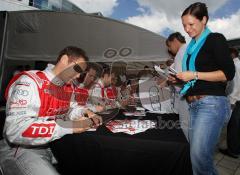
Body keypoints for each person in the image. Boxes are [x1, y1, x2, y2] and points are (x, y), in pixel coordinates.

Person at [0, 46, 102, 175]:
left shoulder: (67, 87)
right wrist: (69, 126)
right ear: (64, 59)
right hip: (20, 150)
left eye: (80, 74)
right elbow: (14, 130)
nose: (77, 76)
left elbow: (72, 109)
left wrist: (85, 112)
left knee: (88, 159)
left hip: (54, 146)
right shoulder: (29, 82)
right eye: (77, 70)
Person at [169, 2, 235, 175]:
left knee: (199, 157)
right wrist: (177, 79)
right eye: (184, 25)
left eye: (191, 24)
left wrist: (195, 75)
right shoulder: (190, 48)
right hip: (194, 105)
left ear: (204, 19)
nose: (187, 29)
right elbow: (192, 81)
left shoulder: (215, 39)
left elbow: (228, 73)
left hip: (211, 103)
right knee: (197, 158)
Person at [166, 32, 189, 140]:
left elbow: (180, 77)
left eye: (169, 46)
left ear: (174, 41)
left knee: (186, 130)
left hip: (185, 96)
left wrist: (173, 80)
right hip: (188, 95)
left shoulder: (181, 52)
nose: (170, 50)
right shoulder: (189, 49)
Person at [219, 47, 240, 158]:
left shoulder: (234, 66)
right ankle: (236, 148)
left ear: (232, 54)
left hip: (235, 100)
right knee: (237, 127)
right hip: (238, 99)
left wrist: (231, 102)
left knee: (233, 127)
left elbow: (235, 86)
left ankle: (233, 151)